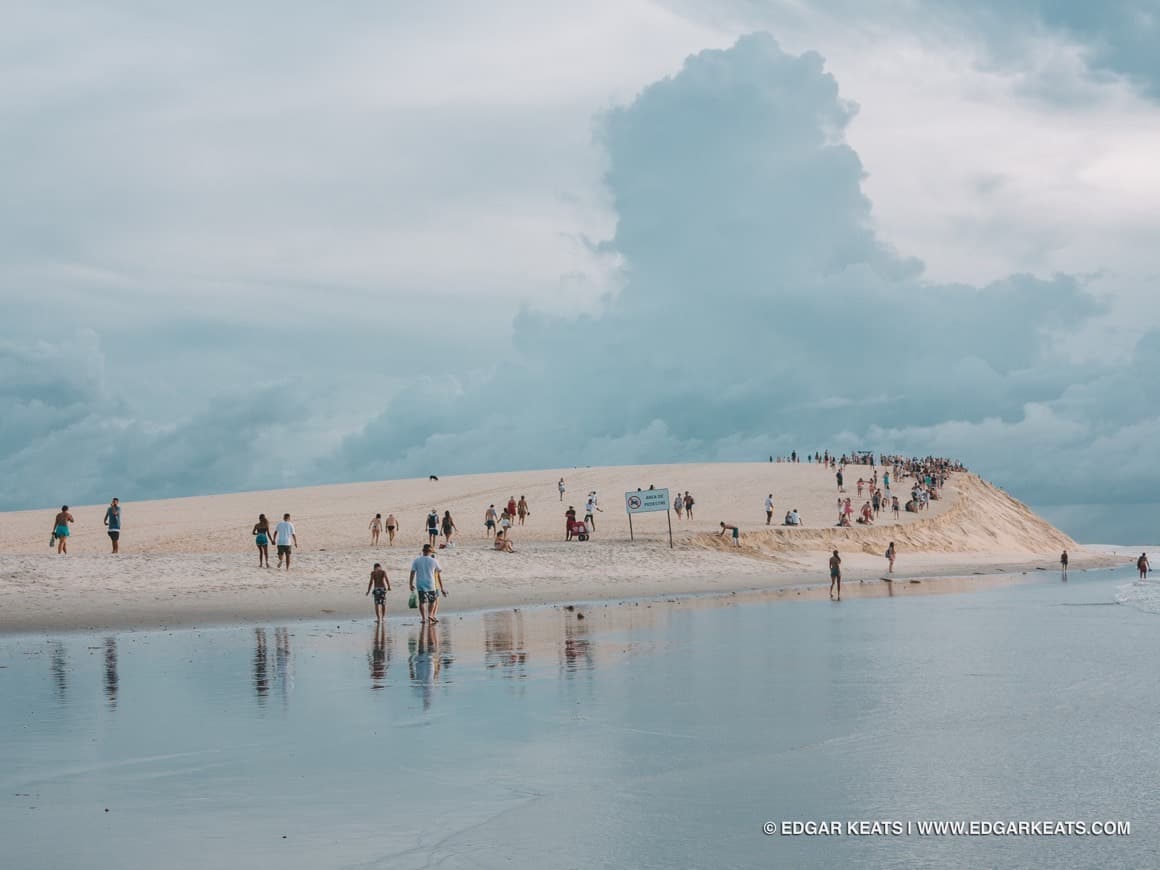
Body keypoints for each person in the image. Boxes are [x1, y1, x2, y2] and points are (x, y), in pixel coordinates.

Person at [409, 543, 446, 624]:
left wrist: (410, 583)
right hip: (430, 583)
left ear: (423, 551)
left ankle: (423, 618)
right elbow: (439, 570)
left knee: (422, 602)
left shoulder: (417, 560)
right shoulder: (434, 560)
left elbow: (412, 572)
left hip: (420, 583)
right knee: (432, 601)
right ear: (430, 552)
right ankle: (430, 615)